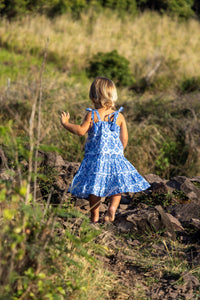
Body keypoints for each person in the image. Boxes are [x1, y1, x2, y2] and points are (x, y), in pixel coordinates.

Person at [60, 76, 150, 223]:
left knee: (94, 188)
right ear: (113, 95)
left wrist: (66, 123)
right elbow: (124, 138)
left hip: (96, 158)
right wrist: (119, 153)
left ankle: (95, 216)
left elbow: (81, 131)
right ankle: (112, 209)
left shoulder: (93, 115)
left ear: (94, 97)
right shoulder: (119, 116)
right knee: (116, 185)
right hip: (115, 156)